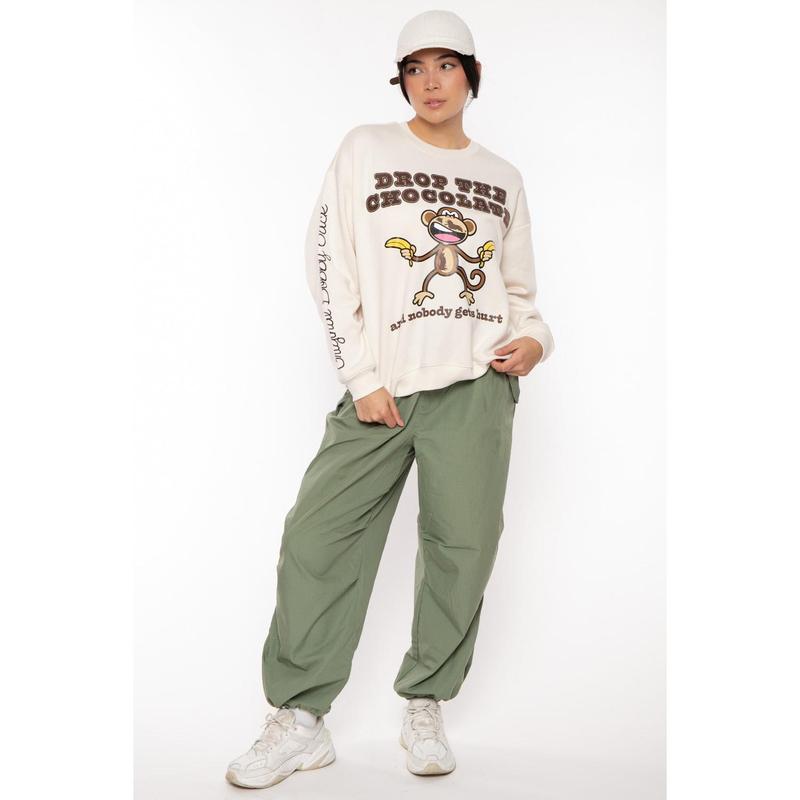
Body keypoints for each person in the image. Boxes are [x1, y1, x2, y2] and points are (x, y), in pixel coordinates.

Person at [226, 9, 555, 789]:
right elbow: (328, 260)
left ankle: (426, 702)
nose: (430, 82)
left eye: (446, 65)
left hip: (477, 387)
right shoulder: (366, 148)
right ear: (401, 80)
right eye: (414, 68)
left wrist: (535, 341)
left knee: (462, 549)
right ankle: (300, 720)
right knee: (318, 539)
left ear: (472, 76)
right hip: (383, 389)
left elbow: (520, 292)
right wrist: (361, 377)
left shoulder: (503, 176)